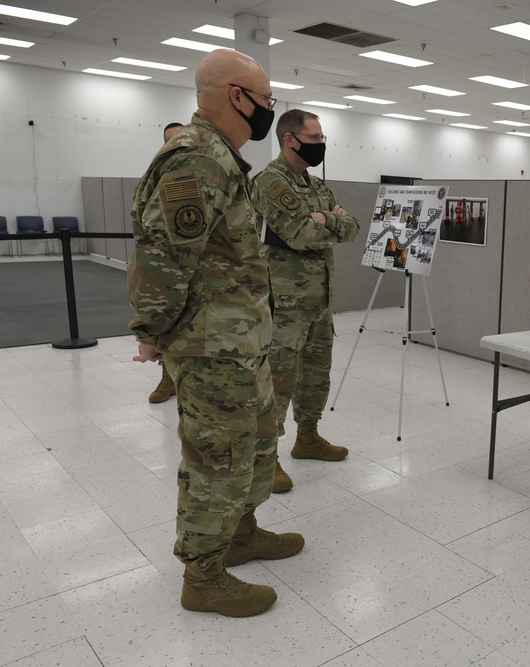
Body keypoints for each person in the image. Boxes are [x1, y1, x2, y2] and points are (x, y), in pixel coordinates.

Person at [128, 49, 304, 618]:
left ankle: (241, 532)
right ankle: (202, 575)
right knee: (218, 458)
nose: (267, 112)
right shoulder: (197, 159)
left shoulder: (222, 159)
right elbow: (161, 258)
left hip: (240, 343)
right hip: (210, 349)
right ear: (238, 97)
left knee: (253, 448)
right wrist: (151, 333)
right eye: (266, 101)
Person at [249, 109, 360, 493]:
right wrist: (332, 220)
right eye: (314, 139)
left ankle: (308, 437)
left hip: (319, 303)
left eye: (322, 138)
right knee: (278, 384)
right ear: (289, 139)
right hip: (283, 307)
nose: (320, 145)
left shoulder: (316, 185)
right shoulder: (269, 182)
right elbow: (299, 234)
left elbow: (352, 227)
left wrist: (324, 218)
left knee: (315, 377)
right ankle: (268, 458)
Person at [147, 122, 187, 404]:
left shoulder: (202, 175)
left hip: (195, 268)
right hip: (166, 267)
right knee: (168, 325)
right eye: (170, 141)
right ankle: (167, 378)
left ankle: (186, 379)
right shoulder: (157, 179)